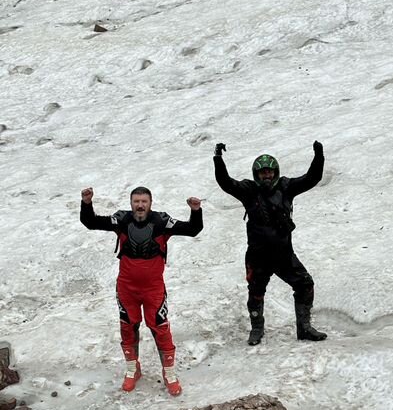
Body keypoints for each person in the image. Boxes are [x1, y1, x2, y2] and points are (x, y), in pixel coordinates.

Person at [80, 186, 203, 395]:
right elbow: (91, 222)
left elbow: (193, 230)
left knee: (160, 328)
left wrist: (196, 210)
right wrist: (87, 202)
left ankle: (169, 373)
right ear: (131, 203)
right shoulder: (121, 220)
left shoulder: (162, 222)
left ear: (150, 203)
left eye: (143, 201)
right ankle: (132, 369)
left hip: (153, 288)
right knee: (128, 327)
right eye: (136, 201)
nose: (139, 205)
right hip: (127, 288)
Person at [213, 142, 327, 345]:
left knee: (305, 284)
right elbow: (226, 182)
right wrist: (218, 159)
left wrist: (319, 155)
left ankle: (304, 327)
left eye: (270, 172)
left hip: (284, 254)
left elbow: (312, 178)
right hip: (258, 255)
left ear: (276, 173)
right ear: (256, 174)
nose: (266, 176)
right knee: (255, 292)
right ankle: (257, 329)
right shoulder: (248, 190)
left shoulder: (286, 187)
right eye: (262, 172)